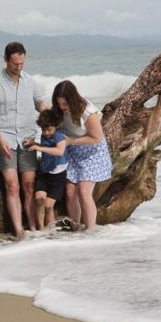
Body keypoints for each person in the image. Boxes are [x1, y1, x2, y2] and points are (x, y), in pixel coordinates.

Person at [0, 41, 47, 238]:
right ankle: (19, 231)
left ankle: (34, 229)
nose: (18, 68)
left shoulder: (30, 81)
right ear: (5, 60)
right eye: (14, 64)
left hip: (28, 138)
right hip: (6, 139)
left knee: (29, 184)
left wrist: (58, 118)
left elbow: (40, 104)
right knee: (12, 184)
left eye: (22, 64)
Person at [52, 80, 112, 230]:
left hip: (92, 152)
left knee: (84, 191)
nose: (62, 107)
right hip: (72, 151)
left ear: (72, 100)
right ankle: (76, 229)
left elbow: (96, 138)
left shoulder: (87, 112)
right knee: (70, 192)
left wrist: (71, 141)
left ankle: (91, 231)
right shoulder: (59, 110)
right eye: (59, 104)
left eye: (65, 104)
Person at [23, 109, 68, 229]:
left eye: (49, 129)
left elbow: (59, 151)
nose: (46, 133)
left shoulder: (59, 136)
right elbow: (46, 146)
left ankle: (52, 231)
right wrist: (33, 143)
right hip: (44, 173)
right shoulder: (44, 135)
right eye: (43, 130)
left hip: (58, 177)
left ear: (56, 126)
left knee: (48, 206)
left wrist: (39, 149)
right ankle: (41, 229)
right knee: (39, 199)